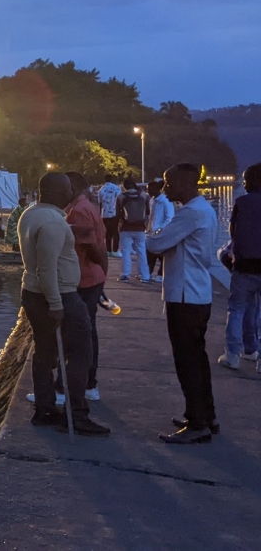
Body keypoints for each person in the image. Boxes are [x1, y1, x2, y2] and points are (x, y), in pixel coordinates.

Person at [18, 172, 108, 435]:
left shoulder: (31, 214)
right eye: (68, 188)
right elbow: (47, 269)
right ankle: (76, 414)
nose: (72, 192)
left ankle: (45, 410)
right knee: (81, 351)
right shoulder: (54, 223)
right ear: (58, 193)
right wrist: (56, 304)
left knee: (44, 353)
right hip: (59, 295)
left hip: (33, 292)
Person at [147, 163, 219, 443]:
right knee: (198, 360)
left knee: (187, 361)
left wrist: (153, 235)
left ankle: (198, 424)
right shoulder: (204, 210)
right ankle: (204, 414)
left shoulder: (190, 213)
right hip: (198, 293)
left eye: (169, 183)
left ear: (186, 184)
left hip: (185, 296)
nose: (165, 189)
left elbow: (155, 244)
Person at [64, 172, 108, 402]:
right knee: (87, 332)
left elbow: (91, 247)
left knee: (80, 335)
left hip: (84, 278)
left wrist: (100, 270)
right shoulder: (87, 206)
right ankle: (88, 384)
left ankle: (81, 386)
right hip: (92, 277)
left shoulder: (78, 211)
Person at [219, 162, 261, 370]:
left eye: (245, 180)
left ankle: (233, 354)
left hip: (244, 266)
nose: (243, 184)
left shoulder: (242, 202)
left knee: (236, 309)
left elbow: (233, 232)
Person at [117, 177, 151, 282]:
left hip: (126, 227)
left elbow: (118, 213)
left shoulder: (121, 197)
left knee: (126, 251)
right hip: (140, 227)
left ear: (125, 186)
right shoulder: (144, 196)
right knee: (141, 252)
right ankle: (145, 276)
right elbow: (148, 212)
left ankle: (125, 275)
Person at [98, 175, 122, 258]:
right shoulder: (117, 188)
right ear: (112, 179)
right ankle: (115, 250)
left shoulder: (101, 190)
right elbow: (119, 201)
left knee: (108, 233)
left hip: (104, 214)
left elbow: (100, 203)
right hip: (114, 213)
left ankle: (108, 250)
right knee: (115, 232)